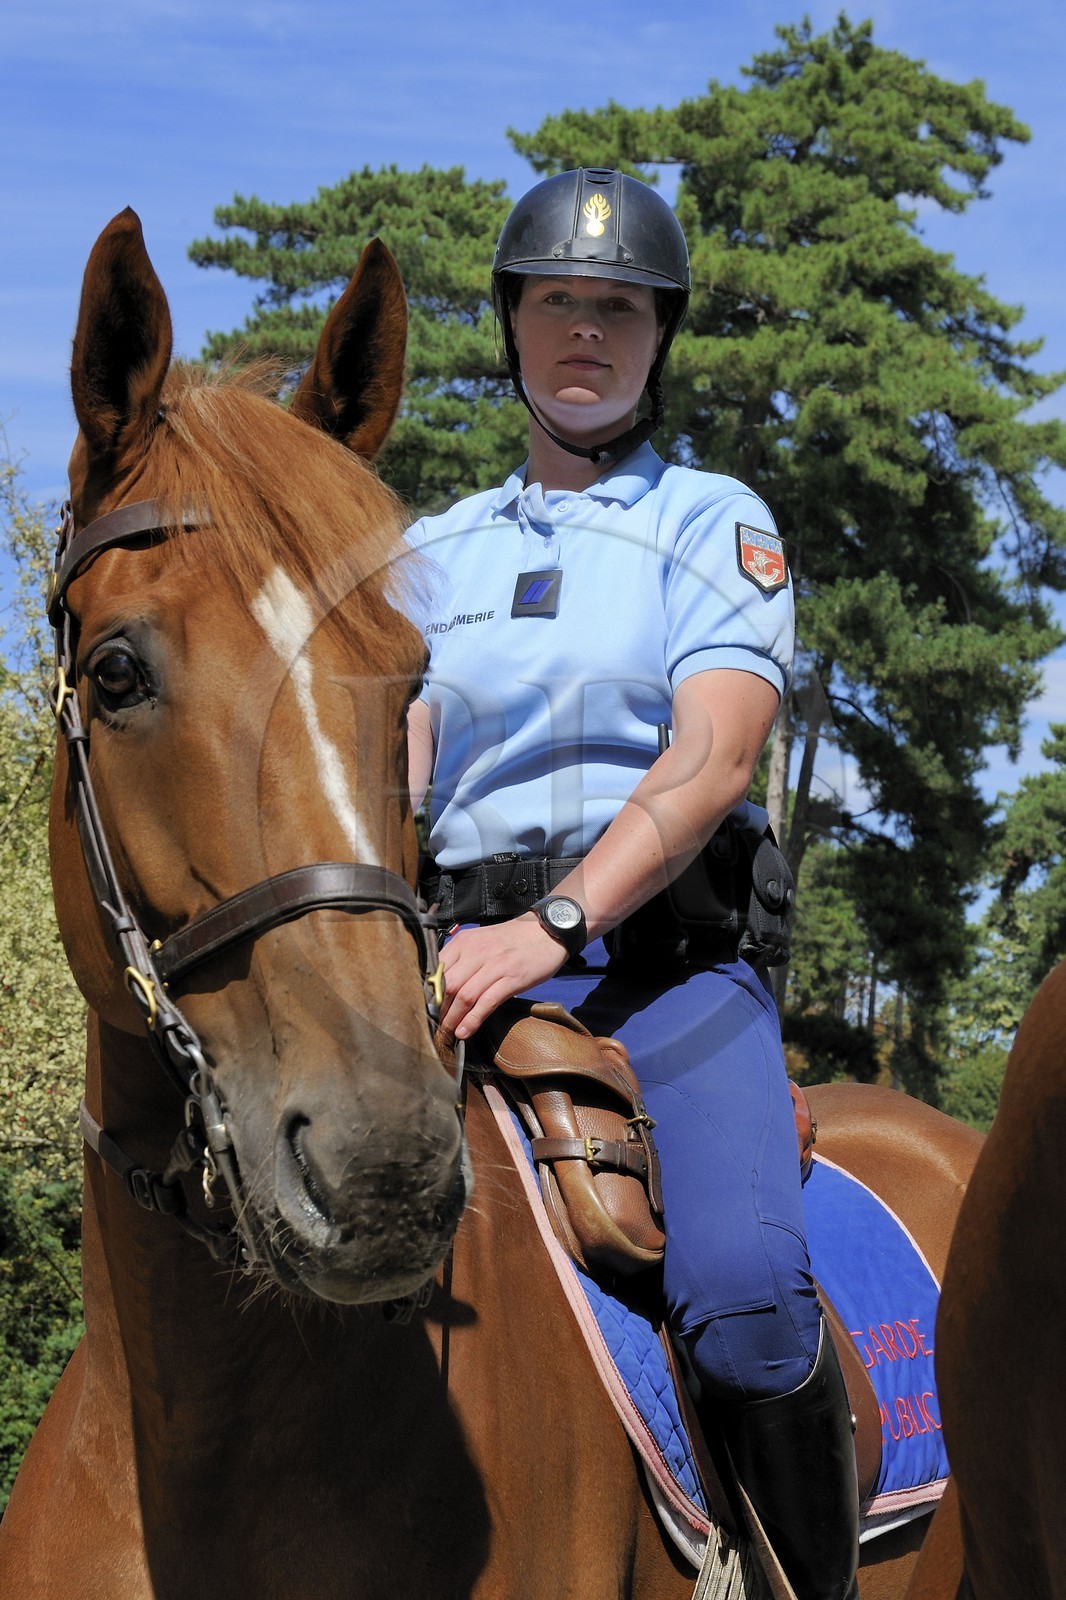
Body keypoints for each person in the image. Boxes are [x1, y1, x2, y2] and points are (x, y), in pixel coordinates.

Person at [405, 167, 859, 1600]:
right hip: (446, 965)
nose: (585, 332)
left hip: (663, 978)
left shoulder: (711, 524)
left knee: (737, 1300)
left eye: (617, 308)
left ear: (657, 339)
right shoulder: (428, 555)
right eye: (557, 303)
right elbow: (388, 773)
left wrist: (549, 929)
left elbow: (713, 757)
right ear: (513, 327)